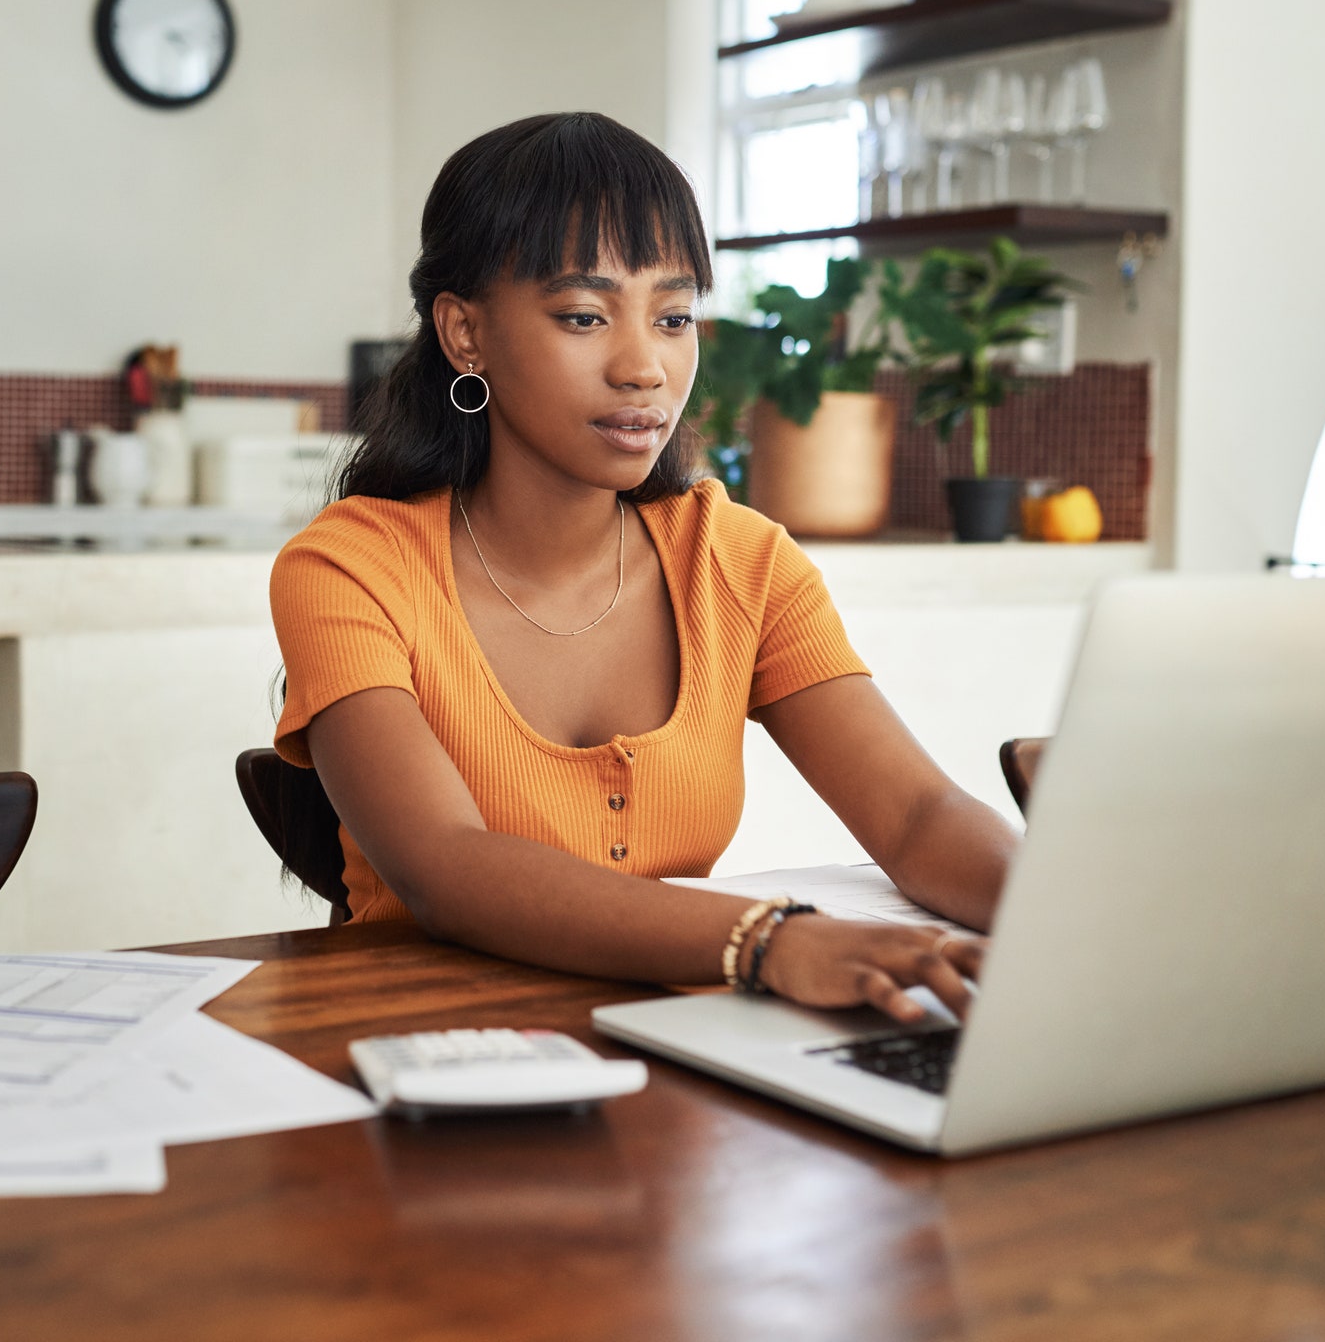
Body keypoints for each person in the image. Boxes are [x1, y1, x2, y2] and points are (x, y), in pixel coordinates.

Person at [271, 112, 1019, 1022]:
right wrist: (768, 941)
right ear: (465, 334)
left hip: (681, 1058)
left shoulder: (737, 562)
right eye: (584, 317)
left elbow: (915, 818)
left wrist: (1067, 918)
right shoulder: (351, 567)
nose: (645, 368)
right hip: (425, 1065)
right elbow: (444, 867)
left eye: (674, 317)